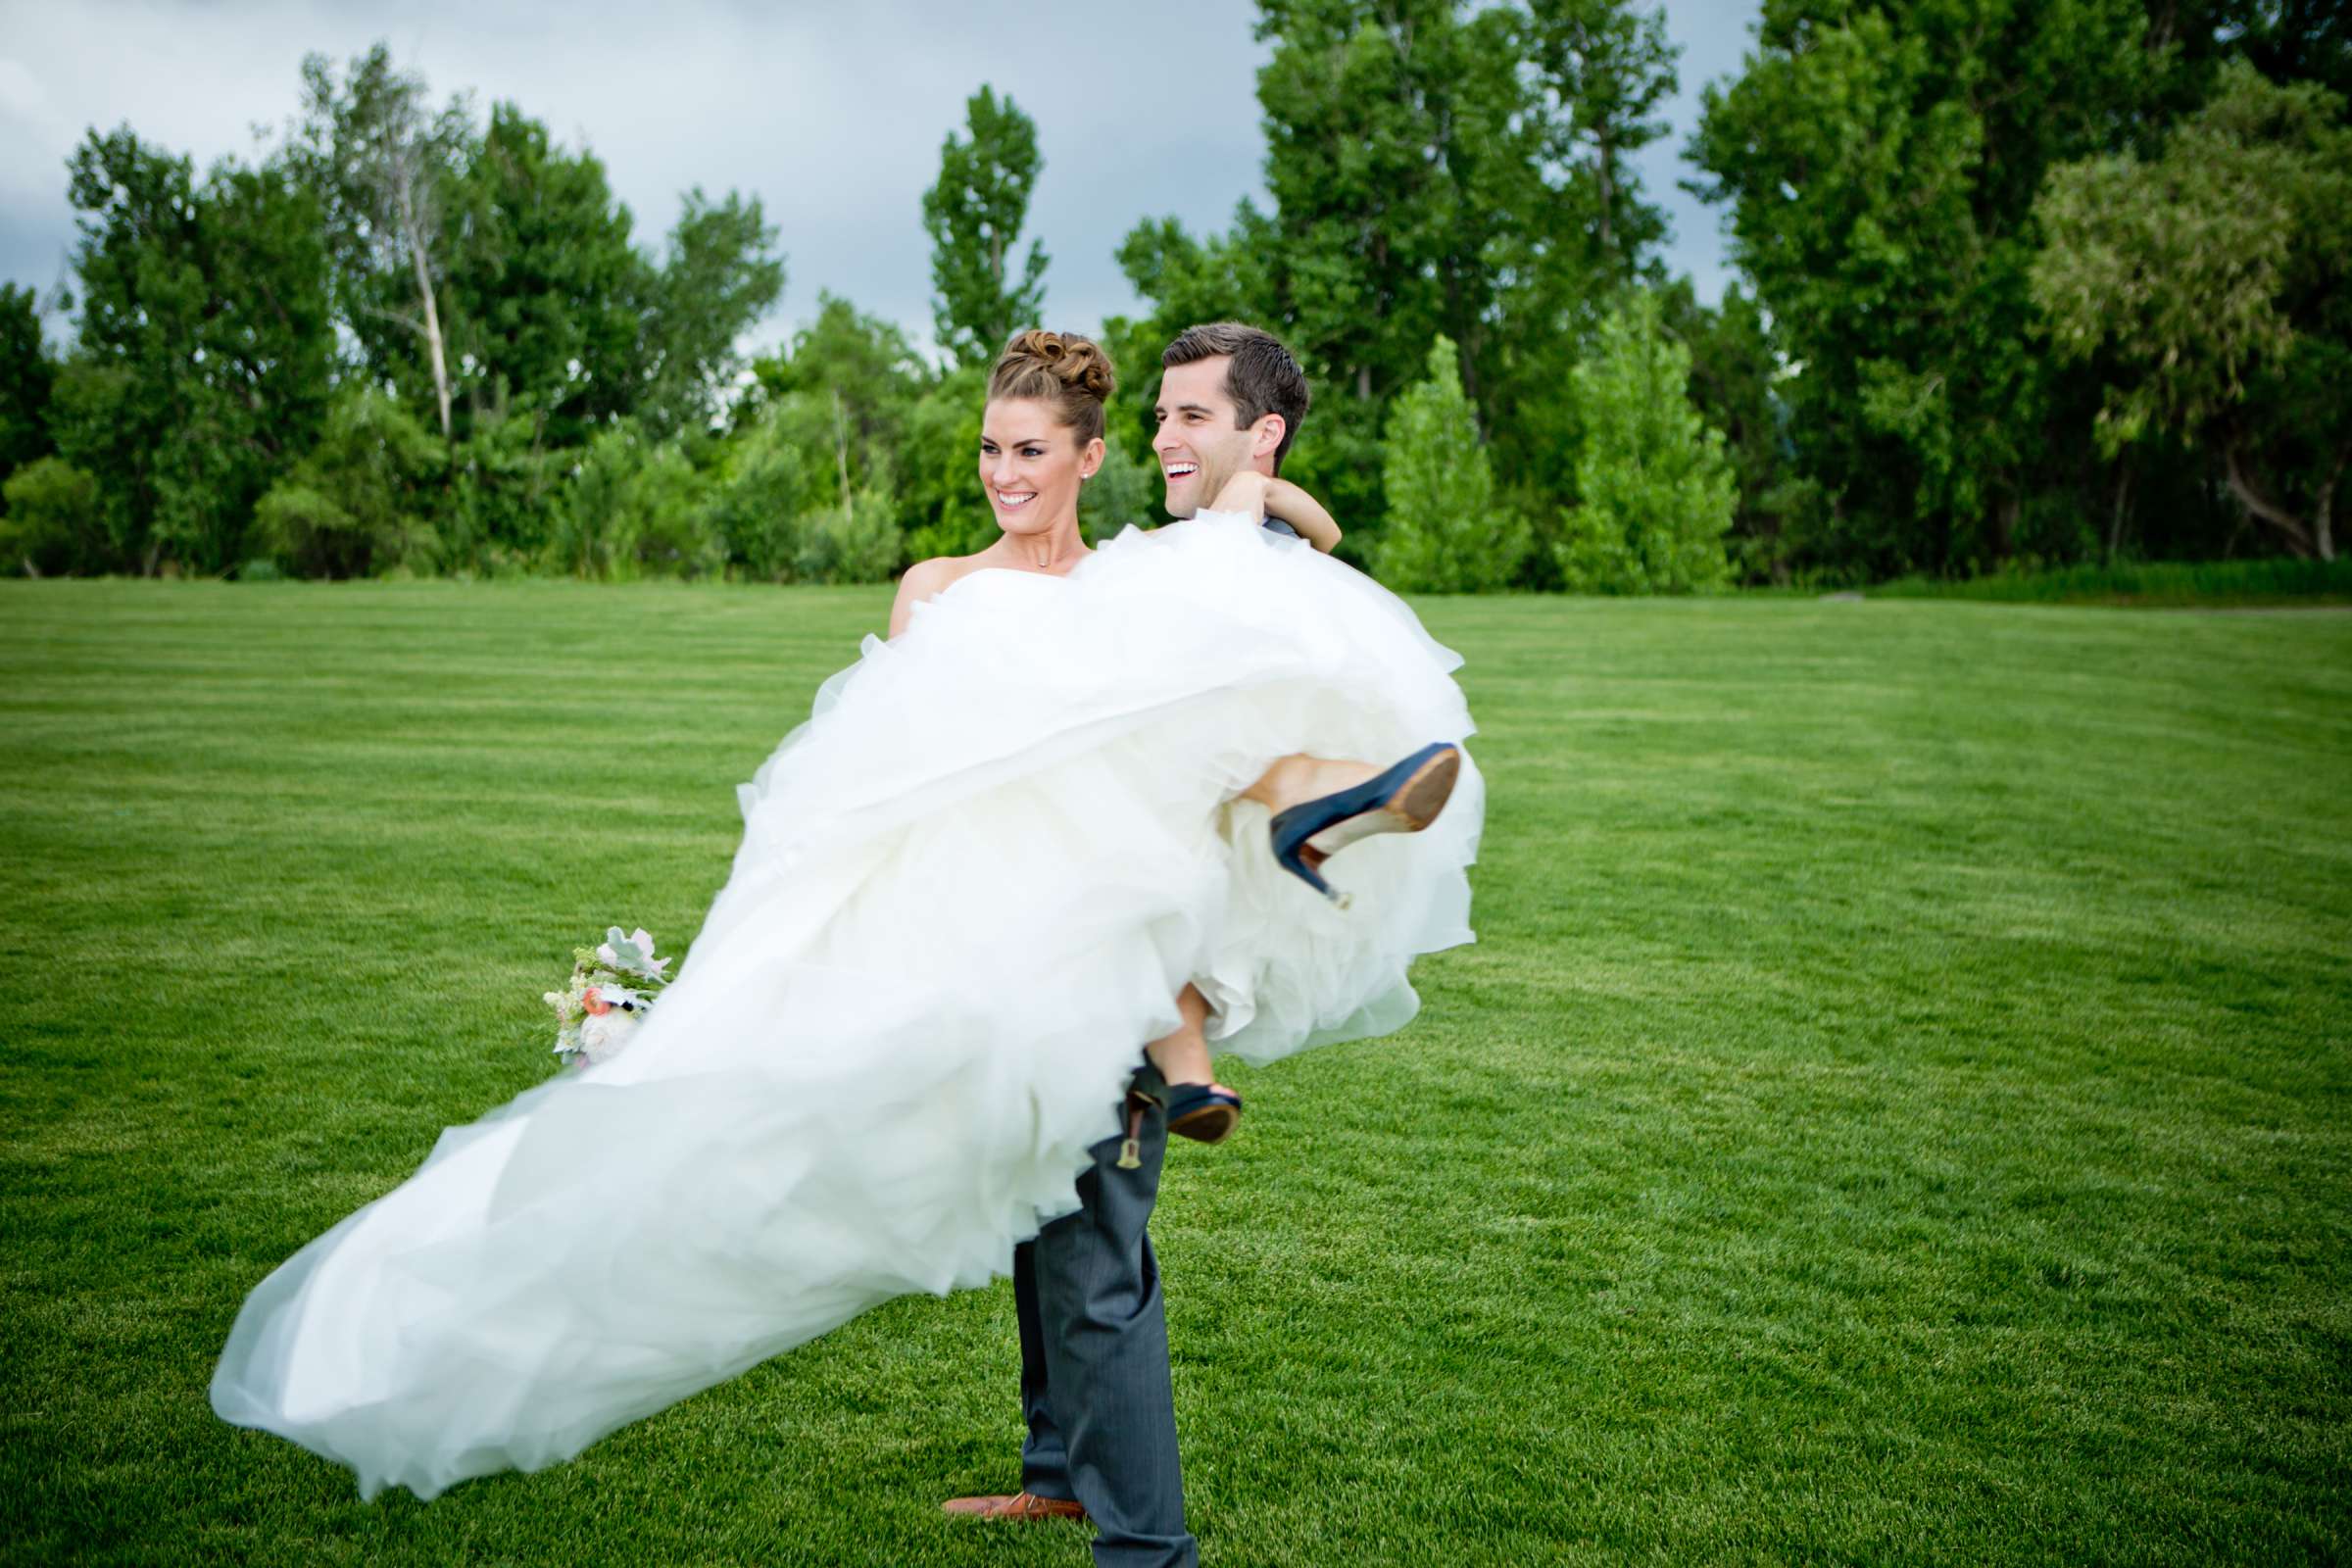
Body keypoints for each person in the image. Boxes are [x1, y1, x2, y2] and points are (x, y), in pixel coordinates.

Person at [209, 327, 1484, 1548]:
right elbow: (866, 787)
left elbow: (1236, 621)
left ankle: (1145, 1540)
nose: (1003, 475)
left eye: (1031, 451)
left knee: (1094, 1238)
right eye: (990, 450)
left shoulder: (1131, 600)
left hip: (1104, 953)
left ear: (1087, 459)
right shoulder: (939, 592)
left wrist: (1266, 487)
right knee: (1055, 1221)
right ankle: (1062, 1475)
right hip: (971, 946)